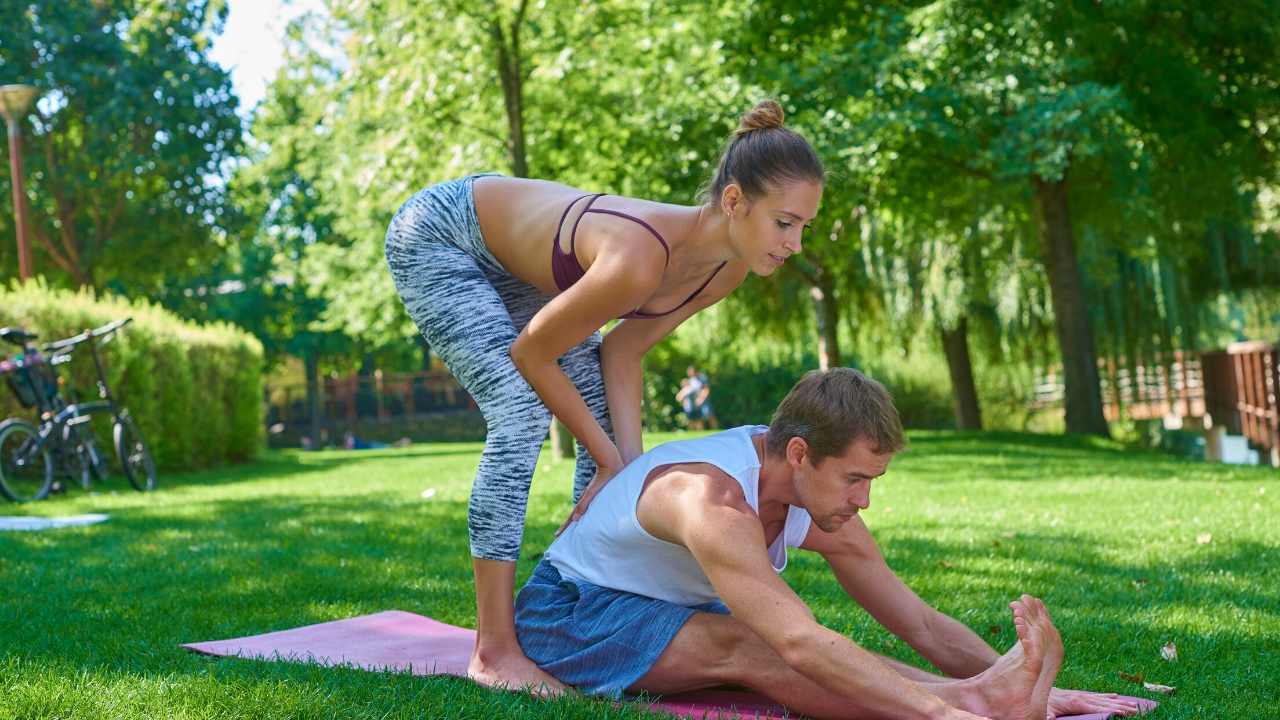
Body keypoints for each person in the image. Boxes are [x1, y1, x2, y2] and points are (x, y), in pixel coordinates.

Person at [384, 100, 825, 692]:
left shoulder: (726, 269)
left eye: (803, 227)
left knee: (607, 444)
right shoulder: (640, 257)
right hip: (443, 236)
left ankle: (589, 609)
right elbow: (530, 355)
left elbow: (622, 353)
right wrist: (611, 459)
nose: (795, 243)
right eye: (784, 222)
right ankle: (492, 652)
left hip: (521, 264)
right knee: (519, 418)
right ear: (734, 201)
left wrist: (628, 469)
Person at [514, 369, 1144, 719]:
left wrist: (1026, 682)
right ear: (799, 453)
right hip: (569, 615)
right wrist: (945, 716)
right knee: (759, 640)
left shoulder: (808, 496)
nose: (864, 500)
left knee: (783, 642)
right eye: (856, 479)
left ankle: (991, 694)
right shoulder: (711, 500)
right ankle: (976, 705)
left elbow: (920, 623)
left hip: (659, 617)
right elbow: (797, 641)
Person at [675, 364, 718, 430]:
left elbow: (706, 389)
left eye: (690, 372)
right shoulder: (691, 380)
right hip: (695, 403)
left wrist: (701, 399)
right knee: (698, 419)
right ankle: (700, 433)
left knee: (709, 416)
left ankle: (715, 430)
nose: (689, 373)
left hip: (703, 401)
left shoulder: (702, 377)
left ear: (694, 371)